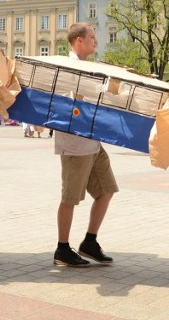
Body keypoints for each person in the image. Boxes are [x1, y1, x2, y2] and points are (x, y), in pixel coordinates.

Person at [53, 22, 118, 267]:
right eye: (92, 36)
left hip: (93, 142)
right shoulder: (67, 68)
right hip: (75, 145)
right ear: (78, 40)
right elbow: (67, 106)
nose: (96, 41)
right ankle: (62, 249)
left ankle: (89, 242)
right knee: (70, 198)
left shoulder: (90, 68)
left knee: (107, 190)